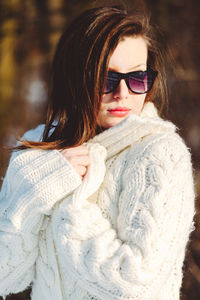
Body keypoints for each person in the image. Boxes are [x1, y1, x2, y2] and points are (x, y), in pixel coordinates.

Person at [0, 5, 195, 300]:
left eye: (138, 78)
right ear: (76, 77)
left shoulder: (159, 154)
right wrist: (30, 197)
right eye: (107, 79)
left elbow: (136, 287)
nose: (124, 94)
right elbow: (5, 278)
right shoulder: (38, 151)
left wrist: (69, 203)